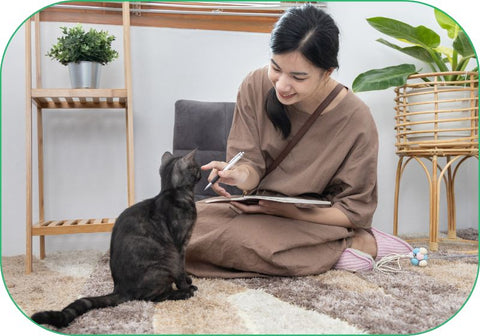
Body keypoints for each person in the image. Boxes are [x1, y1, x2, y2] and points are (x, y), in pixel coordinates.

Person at [185, 4, 412, 278]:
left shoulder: (356, 118)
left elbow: (352, 212)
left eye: (298, 77)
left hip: (311, 222)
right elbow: (250, 169)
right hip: (258, 214)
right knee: (178, 228)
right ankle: (327, 253)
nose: (282, 85)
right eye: (276, 68)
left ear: (327, 72)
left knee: (249, 243)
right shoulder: (254, 85)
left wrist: (291, 213)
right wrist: (238, 175)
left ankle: (355, 242)